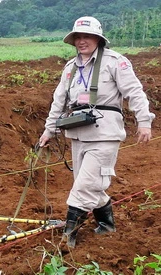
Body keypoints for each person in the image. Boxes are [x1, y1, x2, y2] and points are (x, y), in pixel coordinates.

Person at [38, 16, 155, 248]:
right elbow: (58, 100)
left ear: (98, 39)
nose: (82, 41)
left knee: (84, 186)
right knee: (90, 183)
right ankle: (107, 225)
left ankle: (67, 237)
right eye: (78, 37)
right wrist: (49, 129)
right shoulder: (70, 68)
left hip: (104, 134)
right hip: (78, 133)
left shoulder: (115, 62)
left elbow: (135, 92)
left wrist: (144, 120)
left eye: (87, 36)